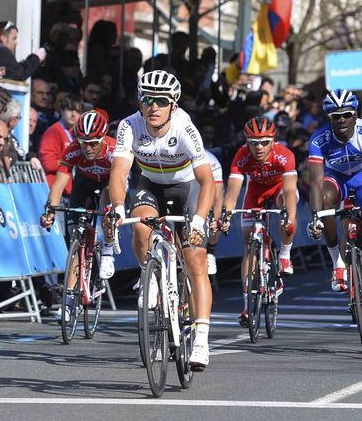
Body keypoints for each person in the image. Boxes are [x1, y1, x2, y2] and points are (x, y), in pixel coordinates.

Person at [106, 70, 215, 370]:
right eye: (147, 99)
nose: (153, 107)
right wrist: (117, 207)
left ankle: (202, 339)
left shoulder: (185, 128)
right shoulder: (129, 126)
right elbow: (119, 172)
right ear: (140, 102)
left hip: (186, 187)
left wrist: (199, 222)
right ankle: (150, 276)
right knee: (141, 225)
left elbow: (207, 181)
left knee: (195, 262)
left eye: (162, 101)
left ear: (174, 105)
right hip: (149, 184)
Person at [220, 117, 297, 326]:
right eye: (254, 143)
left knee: (286, 209)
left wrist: (289, 214)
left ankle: (284, 255)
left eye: (264, 142)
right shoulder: (242, 155)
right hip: (255, 191)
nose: (259, 147)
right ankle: (246, 305)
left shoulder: (284, 155)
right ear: (247, 142)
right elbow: (233, 189)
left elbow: (290, 190)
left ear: (273, 140)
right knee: (249, 245)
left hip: (280, 188)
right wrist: (225, 215)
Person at [39, 110, 116, 319]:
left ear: (102, 139)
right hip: (85, 182)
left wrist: (114, 210)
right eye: (83, 142)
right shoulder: (73, 149)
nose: (88, 148)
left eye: (93, 143)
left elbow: (120, 181)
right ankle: (69, 303)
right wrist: (50, 210)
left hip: (110, 181)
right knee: (76, 235)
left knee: (106, 202)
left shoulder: (113, 149)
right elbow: (60, 182)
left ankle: (108, 248)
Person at [307, 89, 362, 292]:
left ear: (355, 115)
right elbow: (315, 180)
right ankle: (338, 264)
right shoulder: (319, 139)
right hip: (336, 179)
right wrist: (316, 216)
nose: (341, 121)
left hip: (360, 177)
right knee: (323, 197)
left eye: (346, 115)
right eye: (336, 117)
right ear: (329, 119)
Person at [39, 94, 83, 197]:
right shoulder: (53, 132)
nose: (73, 114)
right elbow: (48, 164)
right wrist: (71, 160)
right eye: (70, 109)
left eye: (77, 111)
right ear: (62, 110)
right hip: (56, 192)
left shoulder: (77, 134)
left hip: (71, 191)